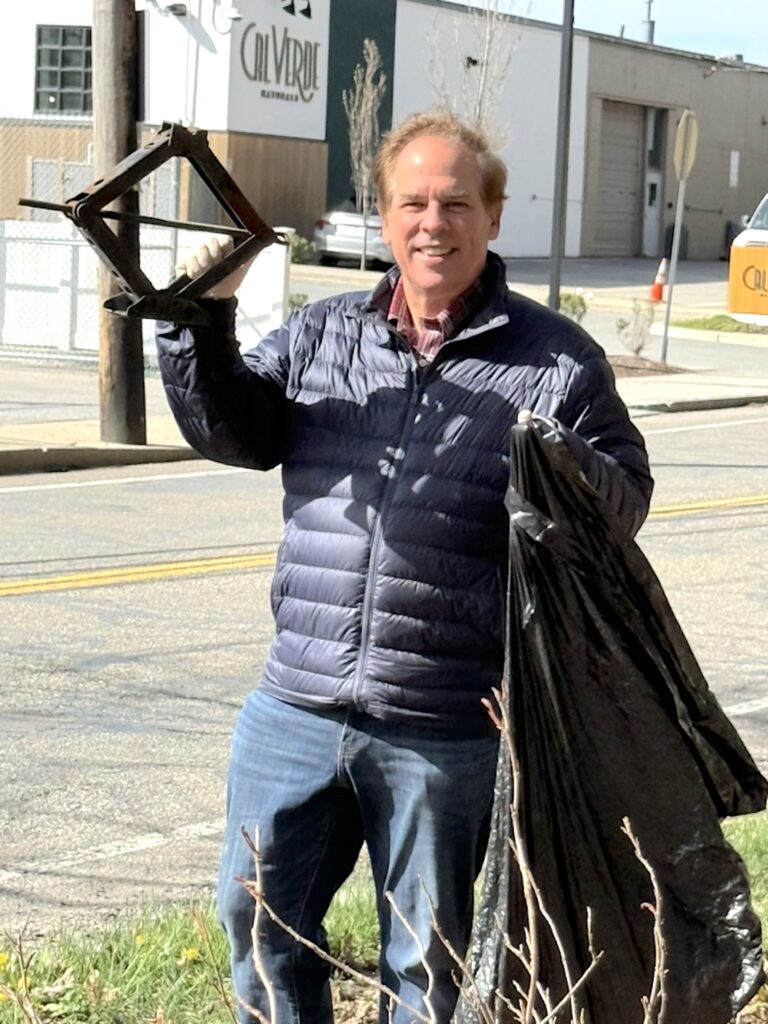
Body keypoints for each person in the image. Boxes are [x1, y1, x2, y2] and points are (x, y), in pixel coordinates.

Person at [155, 111, 653, 1024]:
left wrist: (553, 458)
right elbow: (238, 430)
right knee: (256, 924)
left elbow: (624, 501)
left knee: (428, 964)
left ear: (493, 218)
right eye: (413, 202)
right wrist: (197, 326)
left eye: (456, 202)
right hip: (295, 702)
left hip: (445, 721)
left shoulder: (556, 360)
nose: (434, 221)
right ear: (384, 220)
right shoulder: (321, 333)